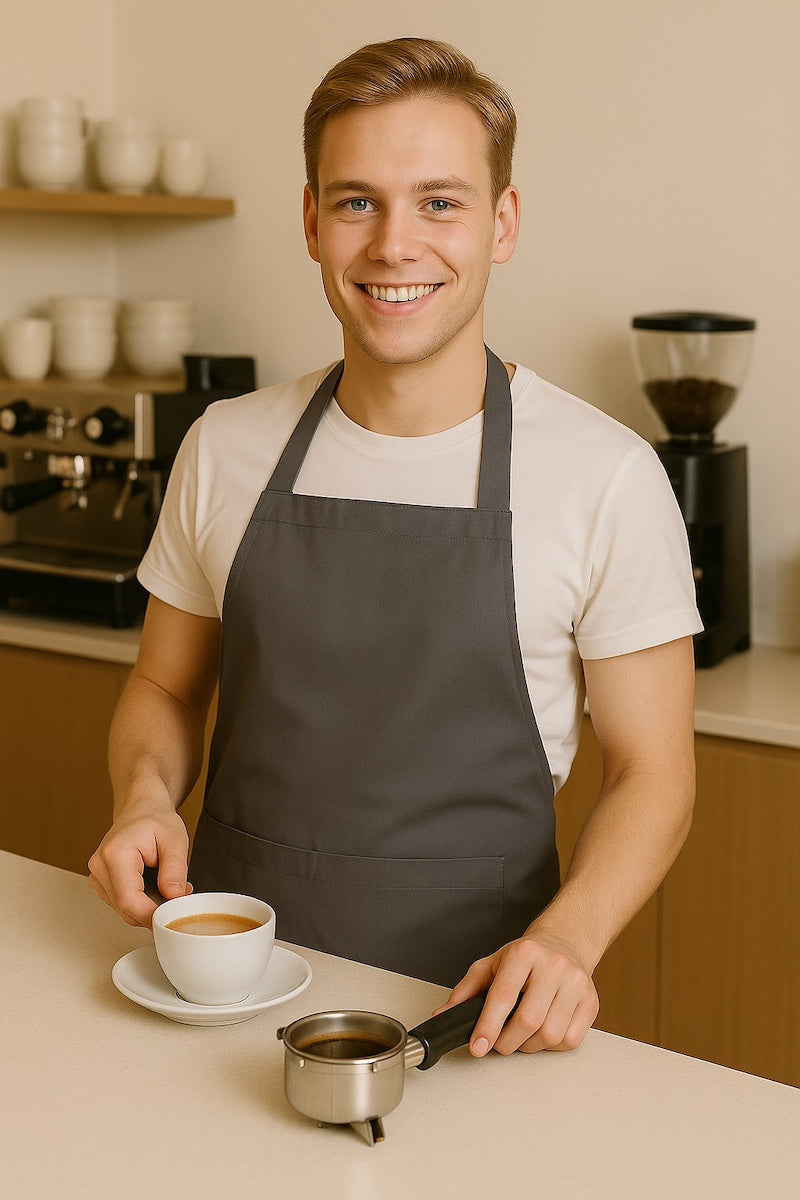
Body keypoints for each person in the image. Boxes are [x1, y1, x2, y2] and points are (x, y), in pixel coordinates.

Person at [89, 37, 701, 1059]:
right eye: (357, 201)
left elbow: (654, 774)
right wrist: (143, 797)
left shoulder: (605, 476)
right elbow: (161, 685)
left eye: (439, 202)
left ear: (501, 224)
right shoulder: (224, 448)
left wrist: (567, 939)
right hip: (222, 994)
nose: (393, 245)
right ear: (310, 220)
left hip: (470, 1019)